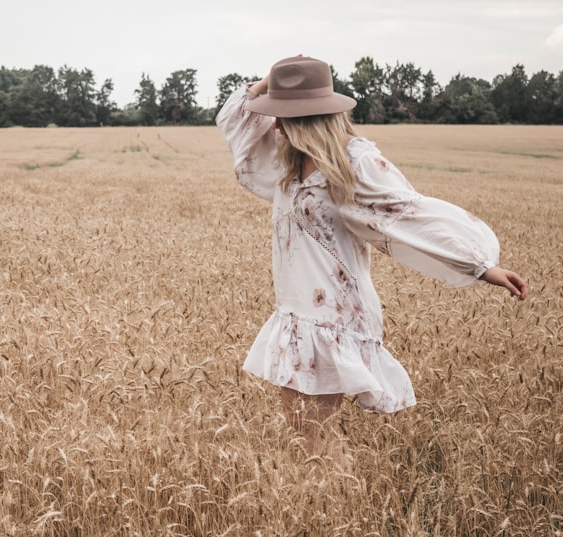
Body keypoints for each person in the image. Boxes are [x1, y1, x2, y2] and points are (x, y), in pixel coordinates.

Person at [216, 56, 528, 457]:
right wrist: (268, 83)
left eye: (284, 115)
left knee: (313, 435)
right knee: (301, 429)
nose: (274, 123)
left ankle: (334, 504)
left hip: (334, 314)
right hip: (296, 309)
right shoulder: (287, 156)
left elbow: (409, 213)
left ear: (311, 117)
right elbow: (234, 121)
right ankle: (325, 503)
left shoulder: (355, 160)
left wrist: (482, 265)